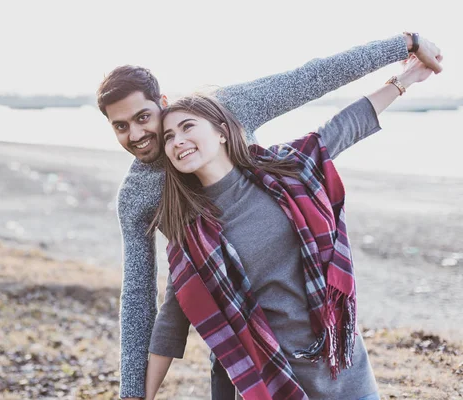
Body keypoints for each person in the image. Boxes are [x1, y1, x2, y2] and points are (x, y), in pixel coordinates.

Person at [95, 33, 442, 399]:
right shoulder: (140, 200)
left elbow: (314, 80)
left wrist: (405, 47)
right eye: (121, 126)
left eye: (143, 118)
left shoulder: (230, 116)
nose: (137, 135)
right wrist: (133, 394)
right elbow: (143, 296)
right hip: (247, 351)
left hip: (325, 338)